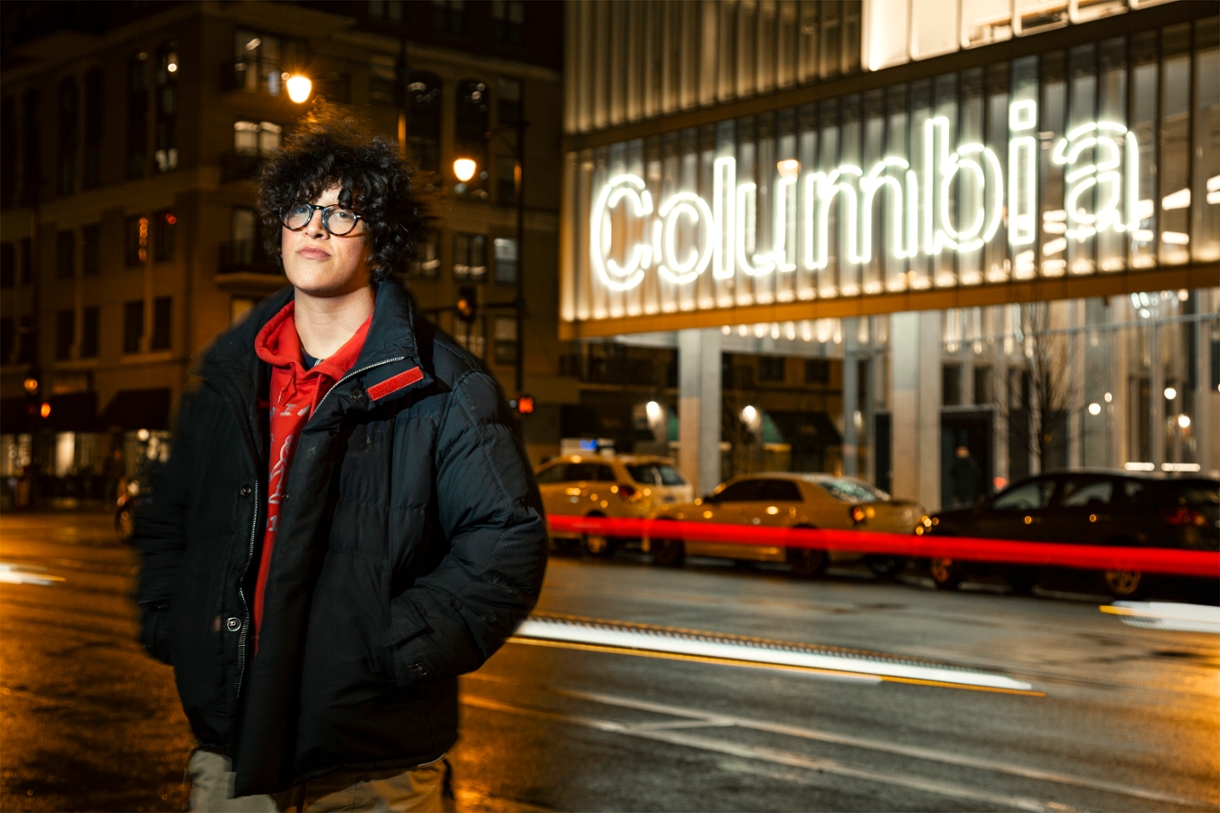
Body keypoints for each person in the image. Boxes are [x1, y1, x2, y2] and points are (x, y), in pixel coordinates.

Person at [134, 103, 548, 811]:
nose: (316, 226)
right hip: (228, 757)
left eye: (343, 212)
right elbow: (170, 518)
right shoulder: (228, 379)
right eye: (301, 208)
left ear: (381, 241)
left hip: (371, 773)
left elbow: (506, 546)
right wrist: (178, 622)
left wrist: (384, 649)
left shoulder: (446, 386)